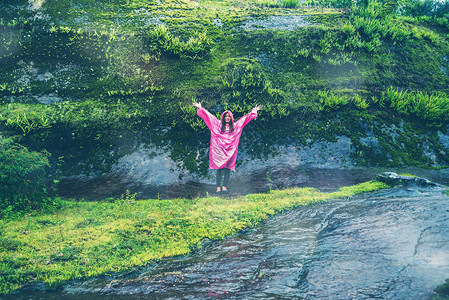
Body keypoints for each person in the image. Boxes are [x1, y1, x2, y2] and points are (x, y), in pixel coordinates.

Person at [193, 102, 263, 194]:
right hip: (219, 152)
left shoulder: (235, 126)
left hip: (230, 151)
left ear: (231, 118)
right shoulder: (217, 125)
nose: (227, 118)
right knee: (219, 169)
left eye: (229, 116)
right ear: (223, 117)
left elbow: (245, 119)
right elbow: (209, 117)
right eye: (226, 116)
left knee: (227, 169)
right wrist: (200, 108)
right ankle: (218, 187)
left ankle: (224, 186)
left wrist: (255, 110)